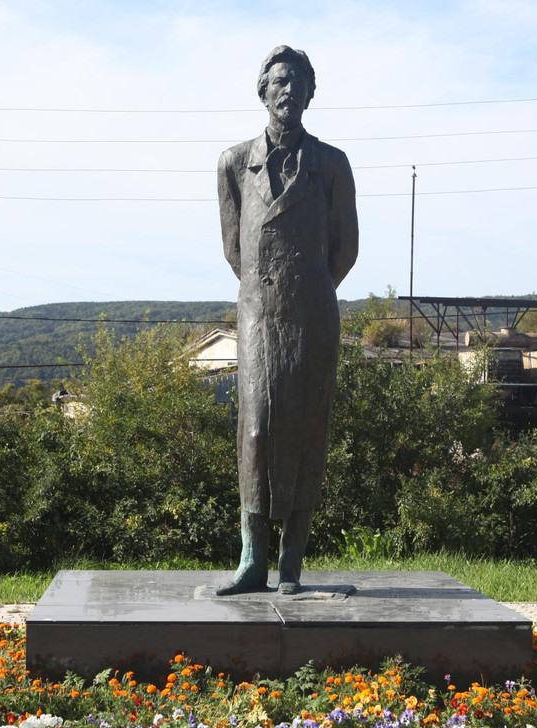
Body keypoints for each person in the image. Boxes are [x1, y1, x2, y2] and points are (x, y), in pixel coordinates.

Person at [215, 45, 359, 596]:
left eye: (298, 82)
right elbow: (235, 248)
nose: (288, 91)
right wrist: (265, 292)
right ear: (263, 90)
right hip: (258, 314)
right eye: (279, 81)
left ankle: (291, 565)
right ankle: (252, 560)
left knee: (306, 431)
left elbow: (345, 248)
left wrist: (308, 290)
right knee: (255, 429)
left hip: (313, 315)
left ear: (310, 92)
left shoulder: (332, 163)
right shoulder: (233, 163)